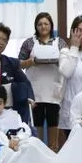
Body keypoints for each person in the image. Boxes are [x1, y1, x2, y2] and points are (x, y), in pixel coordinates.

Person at [18, 12, 67, 151]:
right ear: (36, 26)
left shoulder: (60, 43)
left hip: (54, 92)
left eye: (46, 23)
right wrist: (31, 62)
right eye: (40, 24)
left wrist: (60, 62)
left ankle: (53, 153)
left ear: (51, 25)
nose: (43, 26)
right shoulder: (29, 43)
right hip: (34, 92)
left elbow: (68, 62)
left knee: (53, 123)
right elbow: (19, 63)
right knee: (36, 124)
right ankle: (37, 153)